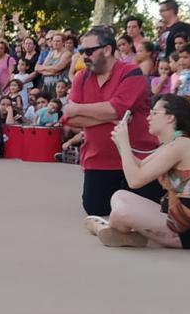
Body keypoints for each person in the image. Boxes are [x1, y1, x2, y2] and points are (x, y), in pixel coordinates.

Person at [93, 94, 190, 249]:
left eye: (154, 113)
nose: (148, 118)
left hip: (188, 229)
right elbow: (139, 165)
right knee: (120, 196)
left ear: (170, 118)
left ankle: (112, 228)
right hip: (173, 215)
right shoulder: (175, 143)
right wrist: (121, 145)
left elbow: (135, 181)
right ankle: (125, 231)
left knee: (121, 212)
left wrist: (125, 144)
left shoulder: (182, 144)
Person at [66, 26, 161, 227]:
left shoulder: (131, 72)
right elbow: (69, 118)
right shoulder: (81, 78)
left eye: (89, 51)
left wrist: (79, 109)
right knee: (95, 207)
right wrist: (108, 116)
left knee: (137, 208)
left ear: (107, 50)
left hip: (137, 159)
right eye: (82, 52)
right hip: (98, 160)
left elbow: (118, 108)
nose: (84, 56)